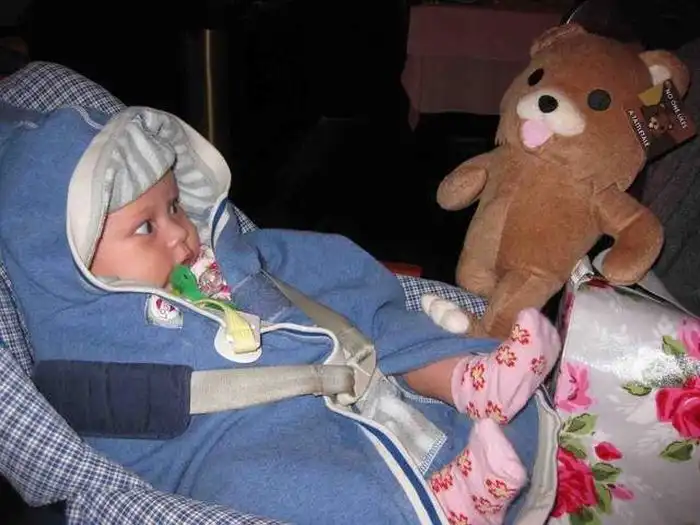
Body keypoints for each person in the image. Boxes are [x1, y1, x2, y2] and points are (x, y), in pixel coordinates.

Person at [0, 103, 560, 525]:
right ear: (70, 261)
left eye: (174, 206)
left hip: (336, 362)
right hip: (231, 441)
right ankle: (442, 508)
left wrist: (246, 273)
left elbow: (318, 270)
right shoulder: (88, 345)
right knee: (270, 485)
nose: (179, 234)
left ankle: (469, 380)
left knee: (380, 316)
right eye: (145, 226)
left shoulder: (216, 258)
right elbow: (109, 445)